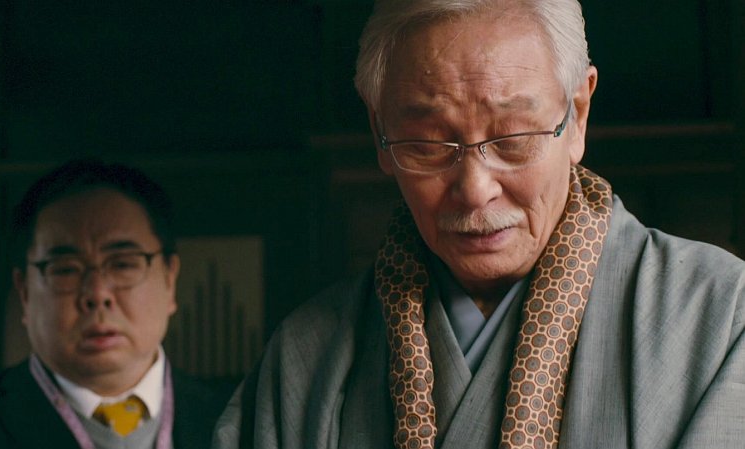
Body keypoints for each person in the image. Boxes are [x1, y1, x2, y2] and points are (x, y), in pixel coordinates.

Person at [212, 1, 745, 448]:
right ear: (379, 133)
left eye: (513, 138)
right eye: (427, 144)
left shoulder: (719, 318)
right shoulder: (306, 359)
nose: (474, 188)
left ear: (578, 114)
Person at [0, 159, 225, 448]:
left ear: (170, 280)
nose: (97, 294)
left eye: (123, 264)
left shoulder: (237, 422)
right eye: (65, 270)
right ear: (25, 292)